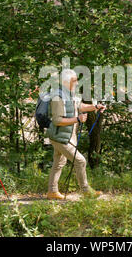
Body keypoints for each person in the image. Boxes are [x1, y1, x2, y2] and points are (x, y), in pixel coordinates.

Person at [47, 69, 106, 200]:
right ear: (66, 82)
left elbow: (80, 106)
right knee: (80, 160)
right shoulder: (58, 97)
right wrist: (77, 119)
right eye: (74, 80)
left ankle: (52, 191)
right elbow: (57, 120)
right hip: (60, 137)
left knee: (59, 163)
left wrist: (95, 107)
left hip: (66, 136)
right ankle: (86, 191)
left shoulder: (69, 94)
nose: (77, 82)